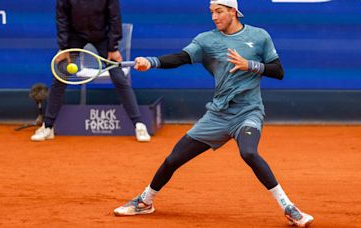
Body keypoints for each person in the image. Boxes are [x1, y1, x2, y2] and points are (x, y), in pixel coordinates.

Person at [113, 0, 313, 226]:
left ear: (233, 12)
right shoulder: (206, 40)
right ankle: (145, 201)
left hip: (248, 112)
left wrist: (250, 65)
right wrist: (151, 62)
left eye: (219, 12)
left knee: (248, 153)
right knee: (174, 159)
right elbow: (180, 58)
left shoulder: (259, 36)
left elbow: (278, 71)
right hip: (217, 115)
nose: (214, 17)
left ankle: (289, 207)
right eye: (211, 13)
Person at [31, 0, 151, 142]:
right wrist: (64, 47)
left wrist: (113, 47)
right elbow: (62, 19)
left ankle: (139, 125)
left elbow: (114, 18)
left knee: (119, 78)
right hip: (75, 38)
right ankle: (48, 126)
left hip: (102, 38)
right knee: (60, 77)